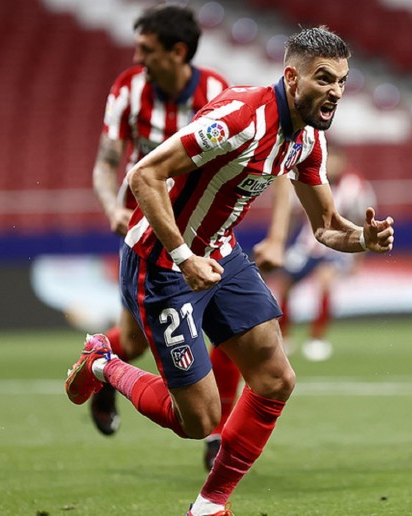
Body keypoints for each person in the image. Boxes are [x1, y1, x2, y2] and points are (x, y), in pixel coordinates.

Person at [66, 25, 395, 515]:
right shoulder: (240, 117)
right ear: (291, 77)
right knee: (197, 420)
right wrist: (182, 256)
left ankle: (210, 504)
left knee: (276, 378)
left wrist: (362, 239)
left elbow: (326, 226)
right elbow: (143, 176)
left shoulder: (308, 140)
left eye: (342, 81)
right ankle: (101, 364)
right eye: (324, 79)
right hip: (161, 261)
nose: (335, 92)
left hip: (219, 254)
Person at [89, 3, 239, 470]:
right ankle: (104, 374)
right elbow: (106, 162)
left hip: (204, 231)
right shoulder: (129, 90)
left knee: (236, 332)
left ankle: (218, 434)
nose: (137, 57)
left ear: (178, 52)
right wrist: (112, 207)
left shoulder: (217, 92)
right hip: (144, 237)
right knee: (132, 342)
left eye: (147, 49)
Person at [275, 145, 377, 361]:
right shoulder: (307, 180)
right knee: (284, 285)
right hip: (306, 246)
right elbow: (293, 215)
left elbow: (363, 221)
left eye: (337, 161)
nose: (333, 165)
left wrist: (359, 257)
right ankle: (284, 336)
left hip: (338, 247)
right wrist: (282, 244)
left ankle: (317, 339)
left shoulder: (356, 186)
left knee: (324, 280)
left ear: (345, 162)